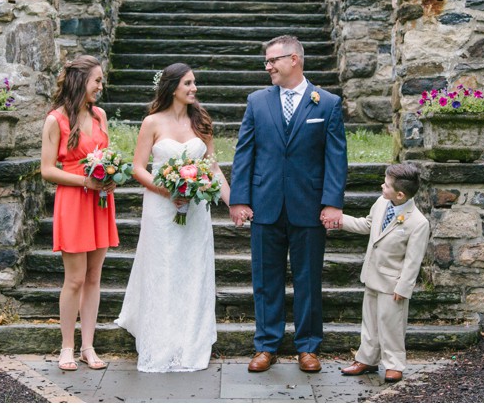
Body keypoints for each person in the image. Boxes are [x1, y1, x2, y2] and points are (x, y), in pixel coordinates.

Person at [229, 35, 347, 373]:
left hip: (309, 207)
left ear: (294, 59)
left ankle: (308, 347)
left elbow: (336, 158)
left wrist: (332, 203)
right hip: (265, 205)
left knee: (308, 279)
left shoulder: (326, 103)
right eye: (266, 61)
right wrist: (239, 199)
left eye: (272, 61)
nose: (267, 67)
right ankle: (266, 345)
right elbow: (245, 153)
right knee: (266, 280)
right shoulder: (257, 101)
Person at [115, 63, 230, 372]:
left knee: (193, 270)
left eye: (194, 83)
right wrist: (168, 192)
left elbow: (213, 167)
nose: (194, 88)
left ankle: (189, 342)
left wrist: (234, 202)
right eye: (188, 83)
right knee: (162, 270)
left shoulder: (202, 122)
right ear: (173, 86)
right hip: (161, 208)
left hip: (194, 209)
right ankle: (160, 343)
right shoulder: (152, 122)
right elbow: (139, 167)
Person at [40, 56, 119, 372]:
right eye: (97, 80)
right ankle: (67, 346)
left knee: (93, 277)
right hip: (74, 200)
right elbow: (47, 170)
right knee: (73, 279)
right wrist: (84, 181)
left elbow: (108, 155)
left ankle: (88, 346)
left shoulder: (100, 115)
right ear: (80, 81)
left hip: (99, 202)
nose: (101, 86)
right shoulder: (55, 120)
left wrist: (110, 175)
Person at [338, 162, 429, 383]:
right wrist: (339, 220)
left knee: (391, 325)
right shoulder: (381, 203)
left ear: (400, 194)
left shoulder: (418, 222)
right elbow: (367, 225)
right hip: (372, 275)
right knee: (370, 322)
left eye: (386, 185)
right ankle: (367, 359)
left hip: (393, 283)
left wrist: (403, 287)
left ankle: (394, 364)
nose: (382, 186)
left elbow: (412, 260)